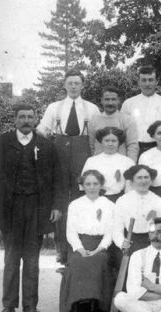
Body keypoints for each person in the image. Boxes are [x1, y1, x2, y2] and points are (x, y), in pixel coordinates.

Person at [0, 104, 64, 312]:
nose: (26, 120)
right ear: (15, 120)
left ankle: (30, 305)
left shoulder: (46, 145)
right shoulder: (1, 143)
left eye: (30, 116)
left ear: (36, 119)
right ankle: (8, 306)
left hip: (37, 208)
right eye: (22, 117)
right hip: (10, 208)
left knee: (32, 259)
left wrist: (56, 206)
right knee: (11, 258)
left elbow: (57, 179)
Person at [36, 69, 100, 265]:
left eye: (77, 83)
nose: (73, 86)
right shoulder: (54, 107)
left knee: (83, 201)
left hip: (83, 159)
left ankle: (81, 247)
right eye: (70, 83)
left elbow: (97, 138)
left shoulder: (92, 109)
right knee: (61, 202)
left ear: (82, 85)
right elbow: (41, 133)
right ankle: (61, 249)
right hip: (60, 158)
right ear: (64, 85)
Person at [59, 170, 114, 312]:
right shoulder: (75, 204)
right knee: (78, 261)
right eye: (88, 184)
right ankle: (77, 306)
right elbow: (70, 231)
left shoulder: (108, 205)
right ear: (82, 186)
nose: (92, 187)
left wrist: (99, 249)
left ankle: (96, 307)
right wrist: (80, 249)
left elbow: (110, 232)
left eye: (95, 183)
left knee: (99, 260)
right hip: (80, 243)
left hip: (100, 245)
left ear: (101, 185)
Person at [113, 165, 161, 256]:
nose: (143, 181)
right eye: (139, 178)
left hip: (152, 243)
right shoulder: (123, 201)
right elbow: (116, 228)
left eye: (146, 177)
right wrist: (122, 243)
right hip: (131, 243)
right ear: (131, 182)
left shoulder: (159, 201)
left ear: (151, 181)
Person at [122, 65, 161, 154]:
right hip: (134, 149)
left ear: (156, 82)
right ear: (139, 82)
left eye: (150, 80)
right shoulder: (128, 103)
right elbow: (123, 130)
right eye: (144, 80)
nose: (147, 84)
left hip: (159, 148)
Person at [82, 127, 135, 202]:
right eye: (107, 140)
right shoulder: (91, 161)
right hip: (97, 199)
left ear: (119, 142)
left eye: (114, 141)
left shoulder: (128, 162)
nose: (110, 144)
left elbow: (130, 187)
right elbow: (84, 185)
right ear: (101, 142)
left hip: (120, 199)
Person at [88, 86, 139, 161]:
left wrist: (130, 165)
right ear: (101, 101)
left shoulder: (127, 120)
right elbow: (91, 145)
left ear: (118, 101)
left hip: (120, 164)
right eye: (107, 99)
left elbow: (132, 146)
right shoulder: (94, 120)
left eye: (113, 99)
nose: (110, 103)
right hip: (99, 164)